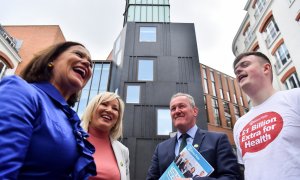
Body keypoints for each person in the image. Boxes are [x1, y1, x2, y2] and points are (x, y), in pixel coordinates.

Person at [0, 41, 96, 179]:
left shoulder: (72, 122)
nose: (87, 63)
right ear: (51, 60)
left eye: (90, 63)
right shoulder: (21, 91)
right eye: (78, 54)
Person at [233, 51, 300, 180]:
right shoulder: (239, 125)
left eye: (245, 65)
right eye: (236, 71)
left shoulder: (295, 97)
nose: (238, 71)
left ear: (266, 68)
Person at [146, 92, 240, 180]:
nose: (177, 111)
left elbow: (232, 177)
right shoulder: (161, 148)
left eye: (181, 106)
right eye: (173, 109)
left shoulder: (218, 140)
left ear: (194, 111)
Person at [81, 92, 130, 180]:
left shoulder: (123, 151)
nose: (109, 110)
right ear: (92, 109)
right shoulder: (71, 137)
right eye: (104, 104)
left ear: (117, 119)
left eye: (115, 108)